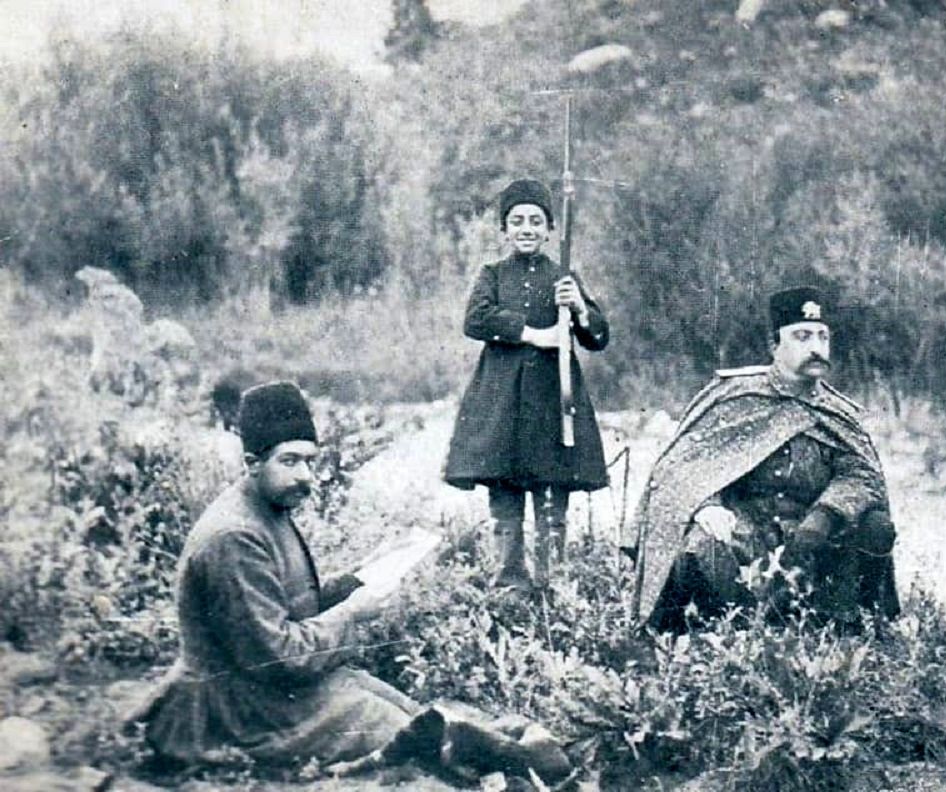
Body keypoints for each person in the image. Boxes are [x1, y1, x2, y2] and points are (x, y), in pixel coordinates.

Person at [132, 382, 570, 781]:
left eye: (310, 461)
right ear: (252, 463)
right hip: (235, 709)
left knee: (410, 711)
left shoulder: (265, 507)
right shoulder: (235, 536)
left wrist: (357, 578)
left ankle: (511, 750)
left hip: (263, 690)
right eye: (290, 461)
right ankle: (517, 759)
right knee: (397, 730)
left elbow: (284, 605)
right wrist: (352, 612)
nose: (305, 476)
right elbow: (278, 657)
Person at [625, 288, 900, 633]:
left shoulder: (837, 412)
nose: (816, 347)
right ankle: (719, 630)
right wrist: (706, 505)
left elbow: (862, 475)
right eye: (802, 337)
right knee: (700, 545)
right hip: (747, 530)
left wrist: (826, 515)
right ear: (774, 346)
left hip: (814, 539)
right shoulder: (735, 396)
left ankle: (846, 626)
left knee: (875, 526)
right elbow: (682, 463)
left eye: (823, 337)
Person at [444, 178, 610, 590]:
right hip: (502, 403)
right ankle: (510, 584)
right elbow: (475, 319)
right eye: (517, 221)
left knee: (552, 499)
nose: (526, 229)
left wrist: (579, 308)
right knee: (506, 499)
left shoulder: (564, 277)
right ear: (504, 229)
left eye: (536, 221)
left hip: (554, 401)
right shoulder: (493, 275)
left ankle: (553, 585)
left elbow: (598, 336)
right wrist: (535, 335)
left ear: (550, 229)